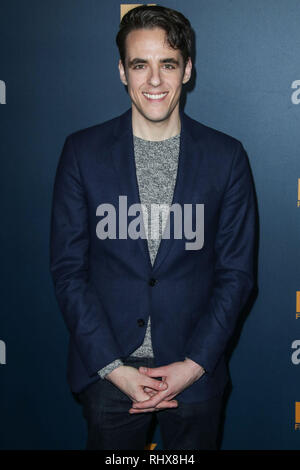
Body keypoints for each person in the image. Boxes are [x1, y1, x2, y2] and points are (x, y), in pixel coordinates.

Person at [50, 5, 256, 450]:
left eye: (168, 63)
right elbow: (69, 271)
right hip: (109, 374)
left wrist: (195, 364)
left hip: (195, 377)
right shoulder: (81, 153)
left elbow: (236, 275)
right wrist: (113, 368)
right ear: (122, 71)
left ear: (187, 70)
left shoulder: (227, 157)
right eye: (140, 64)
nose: (155, 80)